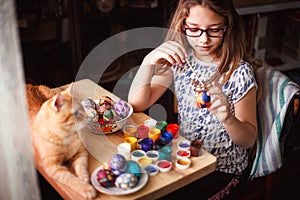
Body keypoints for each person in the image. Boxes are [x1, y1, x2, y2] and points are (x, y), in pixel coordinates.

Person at [128, 0, 258, 199]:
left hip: (223, 169)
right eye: (194, 29)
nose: (203, 39)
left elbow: (248, 140)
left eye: (214, 30)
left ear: (227, 27)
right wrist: (148, 62)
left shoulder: (239, 72)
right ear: (182, 26)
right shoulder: (181, 61)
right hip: (187, 159)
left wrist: (228, 119)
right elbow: (138, 103)